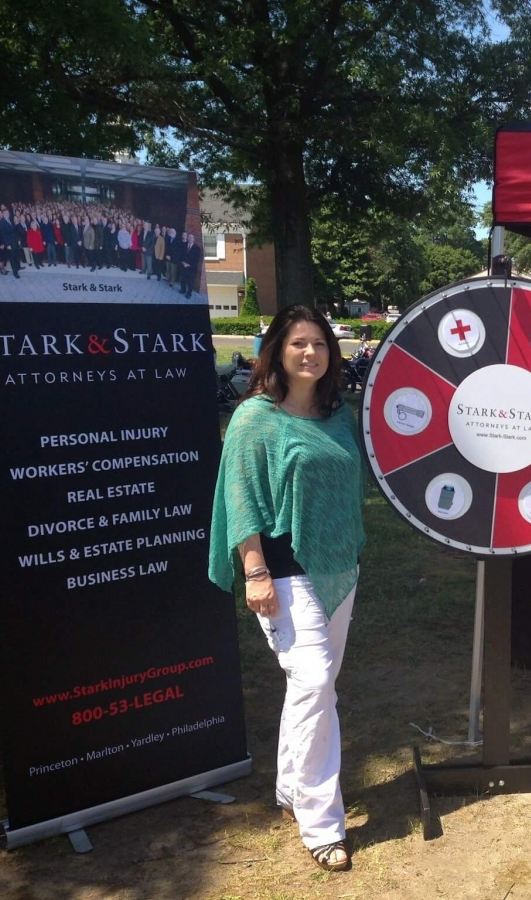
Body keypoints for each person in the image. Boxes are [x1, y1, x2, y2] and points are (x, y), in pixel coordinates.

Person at [209, 305, 365, 873]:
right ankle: (322, 824)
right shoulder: (255, 418)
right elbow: (240, 498)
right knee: (316, 682)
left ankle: (289, 788)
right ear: (276, 351)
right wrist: (254, 572)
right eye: (298, 343)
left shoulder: (339, 415)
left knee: (312, 692)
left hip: (339, 565)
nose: (310, 353)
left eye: (319, 344)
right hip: (282, 570)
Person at [180, 232, 202, 297]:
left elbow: (196, 259)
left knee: (190, 282)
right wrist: (183, 262)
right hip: (183, 266)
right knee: (183, 279)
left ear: (193, 239)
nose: (190, 239)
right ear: (187, 238)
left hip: (192, 268)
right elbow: (180, 255)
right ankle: (183, 290)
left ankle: (189, 293)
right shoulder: (183, 245)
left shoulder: (197, 248)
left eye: (191, 237)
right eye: (189, 237)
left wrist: (189, 264)